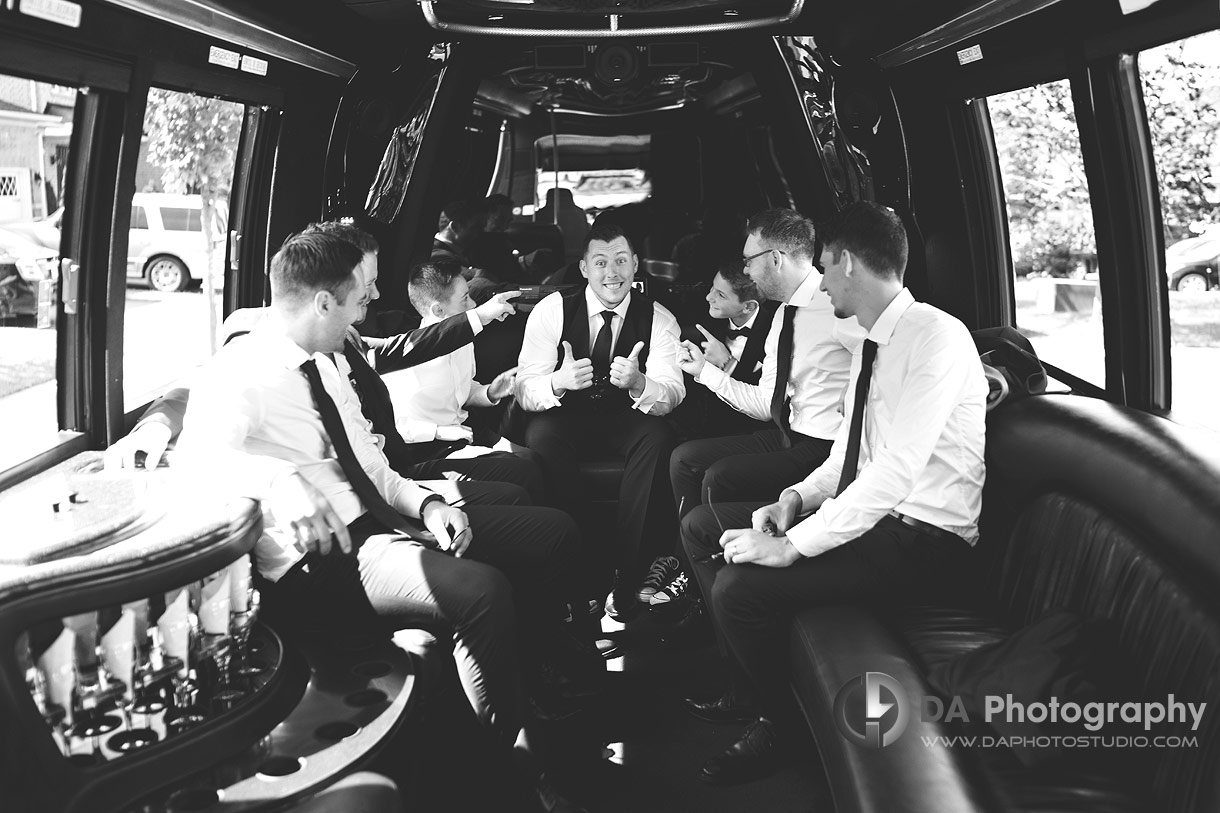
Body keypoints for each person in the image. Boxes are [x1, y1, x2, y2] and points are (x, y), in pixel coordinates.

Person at [174, 230, 591, 812]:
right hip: (322, 558)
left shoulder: (329, 363)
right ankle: (501, 776)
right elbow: (195, 456)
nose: (368, 311)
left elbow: (373, 469)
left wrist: (429, 505)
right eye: (362, 300)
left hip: (382, 524)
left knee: (544, 536)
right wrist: (279, 479)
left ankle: (521, 712)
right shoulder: (245, 369)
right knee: (481, 591)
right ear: (325, 302)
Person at [682, 201, 988, 785]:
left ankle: (784, 727)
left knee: (740, 589)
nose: (821, 281)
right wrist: (792, 501)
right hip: (880, 521)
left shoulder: (936, 339)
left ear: (846, 262)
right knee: (706, 528)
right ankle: (750, 687)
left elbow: (897, 467)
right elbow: (850, 454)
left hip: (926, 540)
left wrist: (794, 545)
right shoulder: (871, 340)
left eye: (824, 263)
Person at [108, 221, 539, 506]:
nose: (371, 296)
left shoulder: (343, 336)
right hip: (357, 490)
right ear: (330, 288)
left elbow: (400, 350)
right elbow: (204, 384)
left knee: (524, 477)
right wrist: (153, 427)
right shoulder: (264, 330)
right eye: (364, 284)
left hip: (388, 469)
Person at [514, 220, 684, 620]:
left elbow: (674, 393)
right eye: (602, 261)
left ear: (636, 264)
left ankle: (629, 570)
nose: (613, 273)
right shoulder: (552, 311)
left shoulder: (658, 317)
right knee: (540, 435)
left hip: (626, 420)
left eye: (622, 261)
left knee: (658, 437)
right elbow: (523, 389)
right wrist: (558, 381)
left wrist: (642, 383)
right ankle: (578, 569)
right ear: (584, 268)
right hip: (567, 419)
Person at [670, 208, 865, 522]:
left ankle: (708, 557)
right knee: (685, 458)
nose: (746, 271)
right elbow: (765, 404)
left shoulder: (837, 307)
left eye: (749, 260)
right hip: (787, 430)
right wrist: (704, 372)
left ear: (775, 259)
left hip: (827, 444)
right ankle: (684, 559)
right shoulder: (782, 316)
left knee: (720, 476)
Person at [381, 257, 546, 493]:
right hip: (425, 450)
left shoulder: (463, 341)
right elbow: (394, 426)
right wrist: (440, 432)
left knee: (533, 459)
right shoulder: (404, 359)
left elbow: (461, 390)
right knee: (522, 472)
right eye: (464, 299)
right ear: (438, 310)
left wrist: (489, 391)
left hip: (464, 436)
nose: (472, 305)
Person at [672, 260, 779, 440]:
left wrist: (727, 364)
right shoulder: (706, 316)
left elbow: (762, 403)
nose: (709, 297)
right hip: (705, 423)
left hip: (751, 432)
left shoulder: (773, 332)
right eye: (712, 288)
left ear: (748, 307)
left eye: (720, 295)